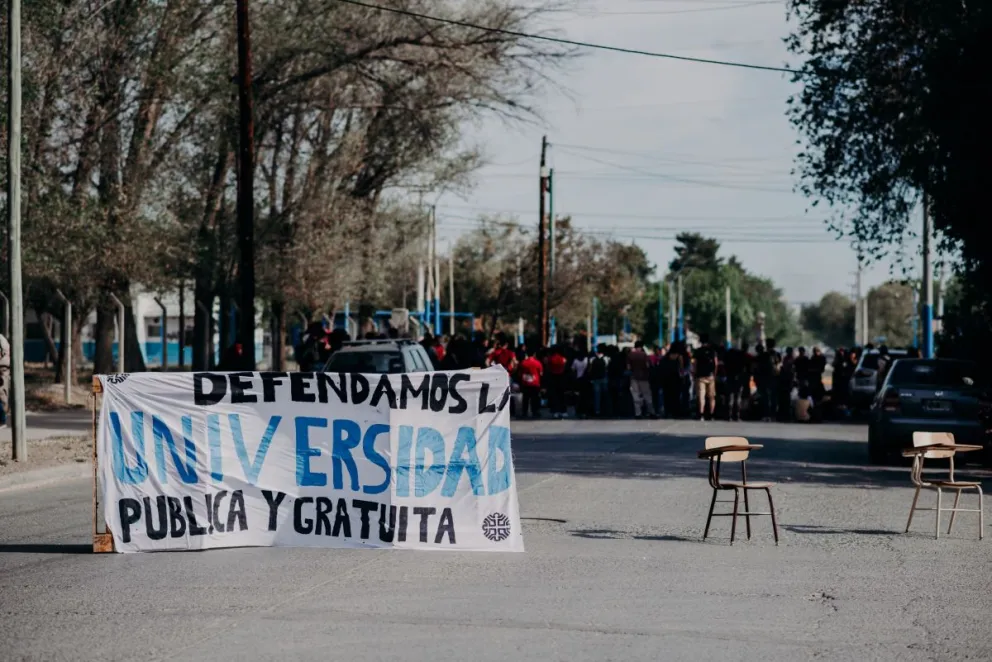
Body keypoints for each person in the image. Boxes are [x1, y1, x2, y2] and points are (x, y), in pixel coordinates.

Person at [627, 341, 655, 419]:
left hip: (634, 377)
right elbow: (648, 365)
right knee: (647, 395)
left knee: (635, 395)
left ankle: (638, 413)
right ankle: (651, 412)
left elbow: (628, 367)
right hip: (644, 377)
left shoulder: (630, 355)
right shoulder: (644, 355)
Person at [694, 334, 718, 420]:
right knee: (711, 397)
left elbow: (695, 364)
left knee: (701, 396)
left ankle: (701, 414)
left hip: (700, 376)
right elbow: (716, 364)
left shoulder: (697, 351)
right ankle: (711, 415)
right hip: (710, 376)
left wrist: (695, 374)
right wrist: (714, 375)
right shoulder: (713, 351)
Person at [518, 348, 543, 418]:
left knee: (525, 398)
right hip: (535, 383)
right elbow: (541, 373)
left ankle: (524, 412)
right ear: (534, 354)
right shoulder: (538, 363)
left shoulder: (523, 363)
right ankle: (535, 412)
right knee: (535, 398)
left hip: (525, 383)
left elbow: (520, 374)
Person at [546, 345, 569, 419]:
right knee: (562, 395)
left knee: (554, 396)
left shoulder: (550, 359)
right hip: (561, 378)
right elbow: (565, 368)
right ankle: (563, 411)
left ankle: (555, 411)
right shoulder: (563, 359)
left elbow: (548, 368)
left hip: (552, 378)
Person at [0, 331, 10, 427]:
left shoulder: (1, 340)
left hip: (2, 371)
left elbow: (4, 359)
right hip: (3, 370)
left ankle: (2, 420)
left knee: (1, 396)